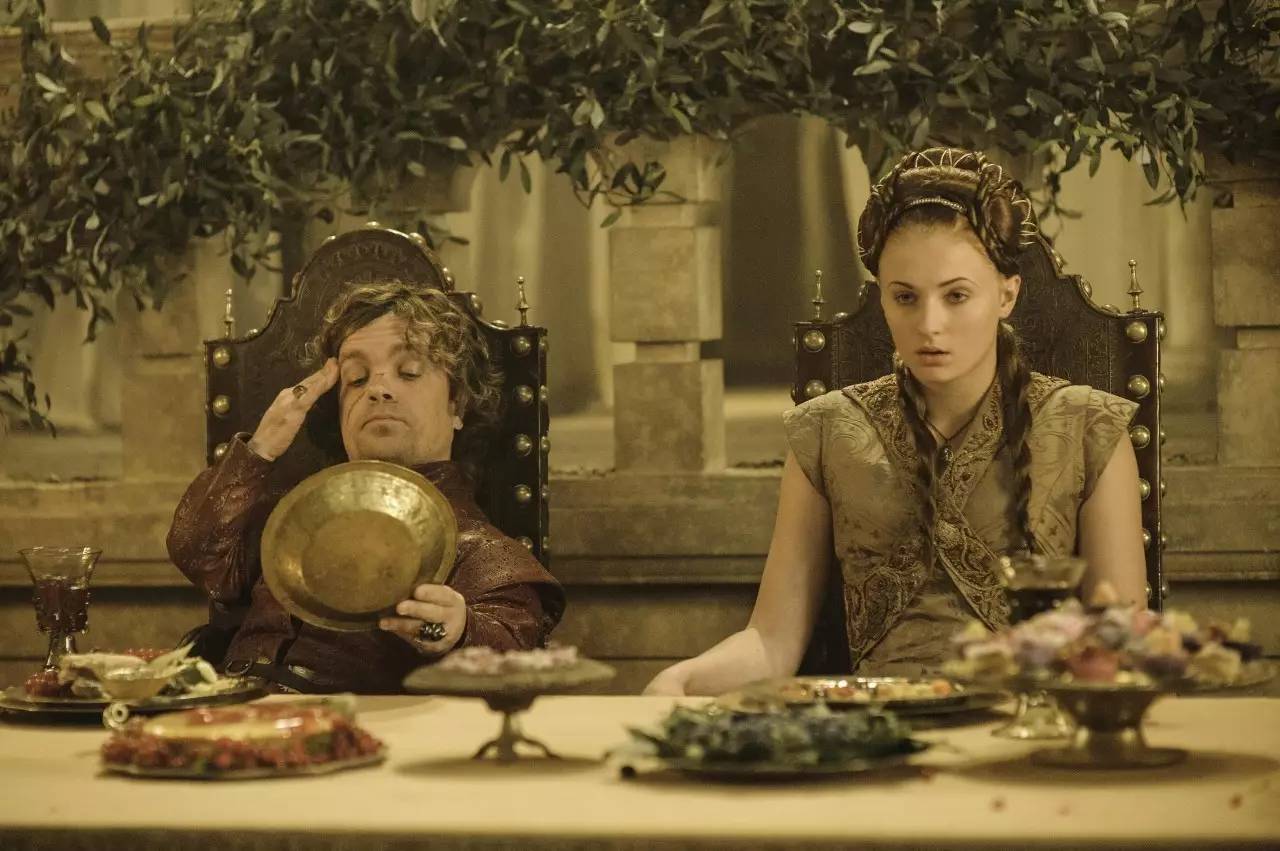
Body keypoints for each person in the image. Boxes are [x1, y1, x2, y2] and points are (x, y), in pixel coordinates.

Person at [646, 147, 1146, 696]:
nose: (929, 324)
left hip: (1027, 724)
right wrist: (680, 677)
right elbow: (772, 641)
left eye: (956, 296)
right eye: (905, 297)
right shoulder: (827, 431)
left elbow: (1118, 642)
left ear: (1007, 294)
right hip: (880, 723)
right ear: (882, 299)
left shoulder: (1088, 427)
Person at [168, 279, 564, 693]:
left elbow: (517, 657)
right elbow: (197, 552)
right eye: (356, 378)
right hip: (227, 709)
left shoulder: (484, 551)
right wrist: (261, 447)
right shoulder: (290, 518)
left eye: (408, 372)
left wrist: (460, 630)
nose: (377, 389)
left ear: (457, 404)